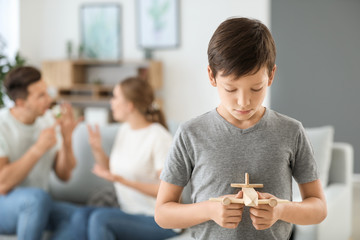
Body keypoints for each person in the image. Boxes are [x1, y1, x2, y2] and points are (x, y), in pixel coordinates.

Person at [155, 17, 327, 240]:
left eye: (256, 88)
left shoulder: (291, 131)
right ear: (211, 76)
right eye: (231, 89)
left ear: (271, 75)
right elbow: (162, 213)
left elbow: (318, 208)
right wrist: (209, 210)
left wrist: (280, 210)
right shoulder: (190, 133)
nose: (243, 102)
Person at [83, 77, 178, 240]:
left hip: (159, 221)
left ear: (129, 105)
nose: (111, 102)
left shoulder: (158, 136)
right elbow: (113, 172)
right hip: (128, 213)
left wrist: (123, 181)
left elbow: (166, 191)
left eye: (115, 97)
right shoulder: (125, 130)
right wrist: (97, 149)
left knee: (100, 220)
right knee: (81, 216)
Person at [0, 66, 83, 239]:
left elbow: (64, 175)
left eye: (47, 92)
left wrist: (67, 140)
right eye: (41, 96)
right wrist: (37, 149)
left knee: (78, 217)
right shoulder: (2, 125)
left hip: (39, 204)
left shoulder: (47, 120)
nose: (50, 99)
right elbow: (2, 184)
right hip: (5, 205)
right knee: (36, 199)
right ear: (21, 102)